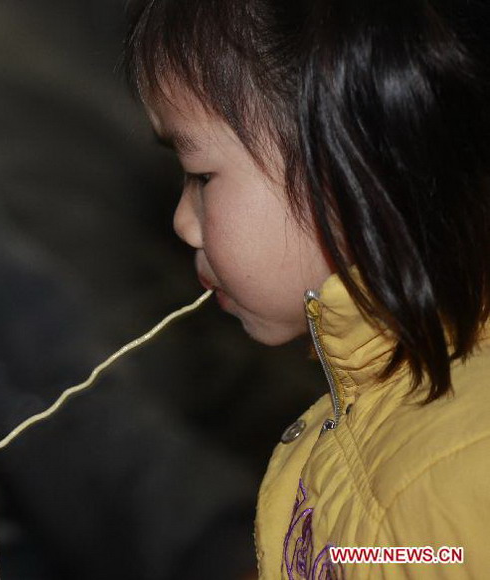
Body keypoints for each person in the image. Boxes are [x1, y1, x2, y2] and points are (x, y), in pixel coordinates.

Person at [125, 0, 489, 577]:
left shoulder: (451, 476)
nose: (182, 222)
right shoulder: (387, 415)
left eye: (201, 176)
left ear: (349, 153)